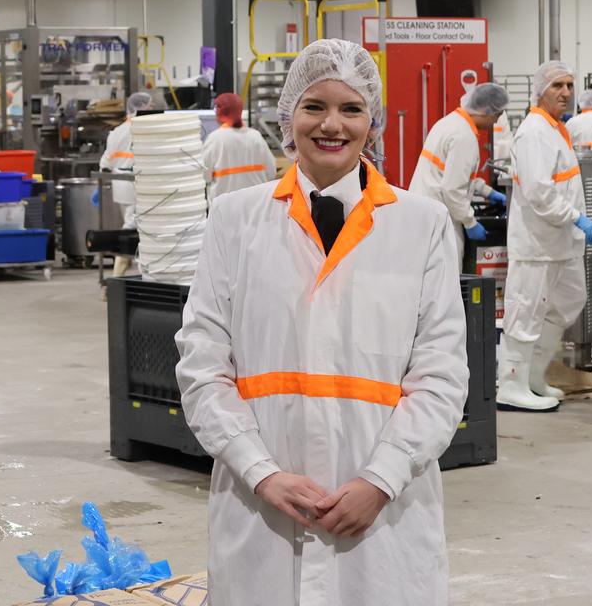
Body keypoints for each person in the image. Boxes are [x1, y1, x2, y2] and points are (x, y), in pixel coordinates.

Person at [176, 38, 469, 606]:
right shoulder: (235, 221)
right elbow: (203, 365)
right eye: (315, 107)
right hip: (262, 511)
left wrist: (379, 480)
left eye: (351, 109)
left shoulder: (422, 224)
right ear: (288, 118)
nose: (331, 125)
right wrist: (260, 472)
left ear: (372, 122)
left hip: (380, 520)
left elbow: (441, 375)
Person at [498, 61, 592, 412]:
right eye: (558, 85)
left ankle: (534, 377)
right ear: (540, 90)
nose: (566, 93)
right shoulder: (533, 132)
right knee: (526, 311)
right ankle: (511, 384)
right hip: (538, 244)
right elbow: (540, 193)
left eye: (570, 85)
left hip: (562, 243)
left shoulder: (556, 129)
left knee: (569, 301)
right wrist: (575, 218)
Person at [408, 83, 510, 260]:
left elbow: (458, 175)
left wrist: (489, 192)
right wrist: (470, 222)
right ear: (485, 110)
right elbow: (452, 189)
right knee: (447, 278)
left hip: (424, 213)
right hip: (439, 218)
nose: (495, 122)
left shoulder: (449, 122)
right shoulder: (464, 137)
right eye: (496, 115)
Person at [98, 91, 153, 277]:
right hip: (136, 184)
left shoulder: (116, 132)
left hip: (120, 185)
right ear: (142, 107)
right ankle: (120, 279)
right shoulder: (143, 129)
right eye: (150, 106)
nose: (152, 109)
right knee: (134, 228)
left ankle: (119, 276)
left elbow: (105, 163)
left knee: (131, 224)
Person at [201, 92, 277, 205]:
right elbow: (271, 172)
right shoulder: (256, 136)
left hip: (225, 209)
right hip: (256, 207)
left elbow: (204, 176)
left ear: (219, 112)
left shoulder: (215, 139)